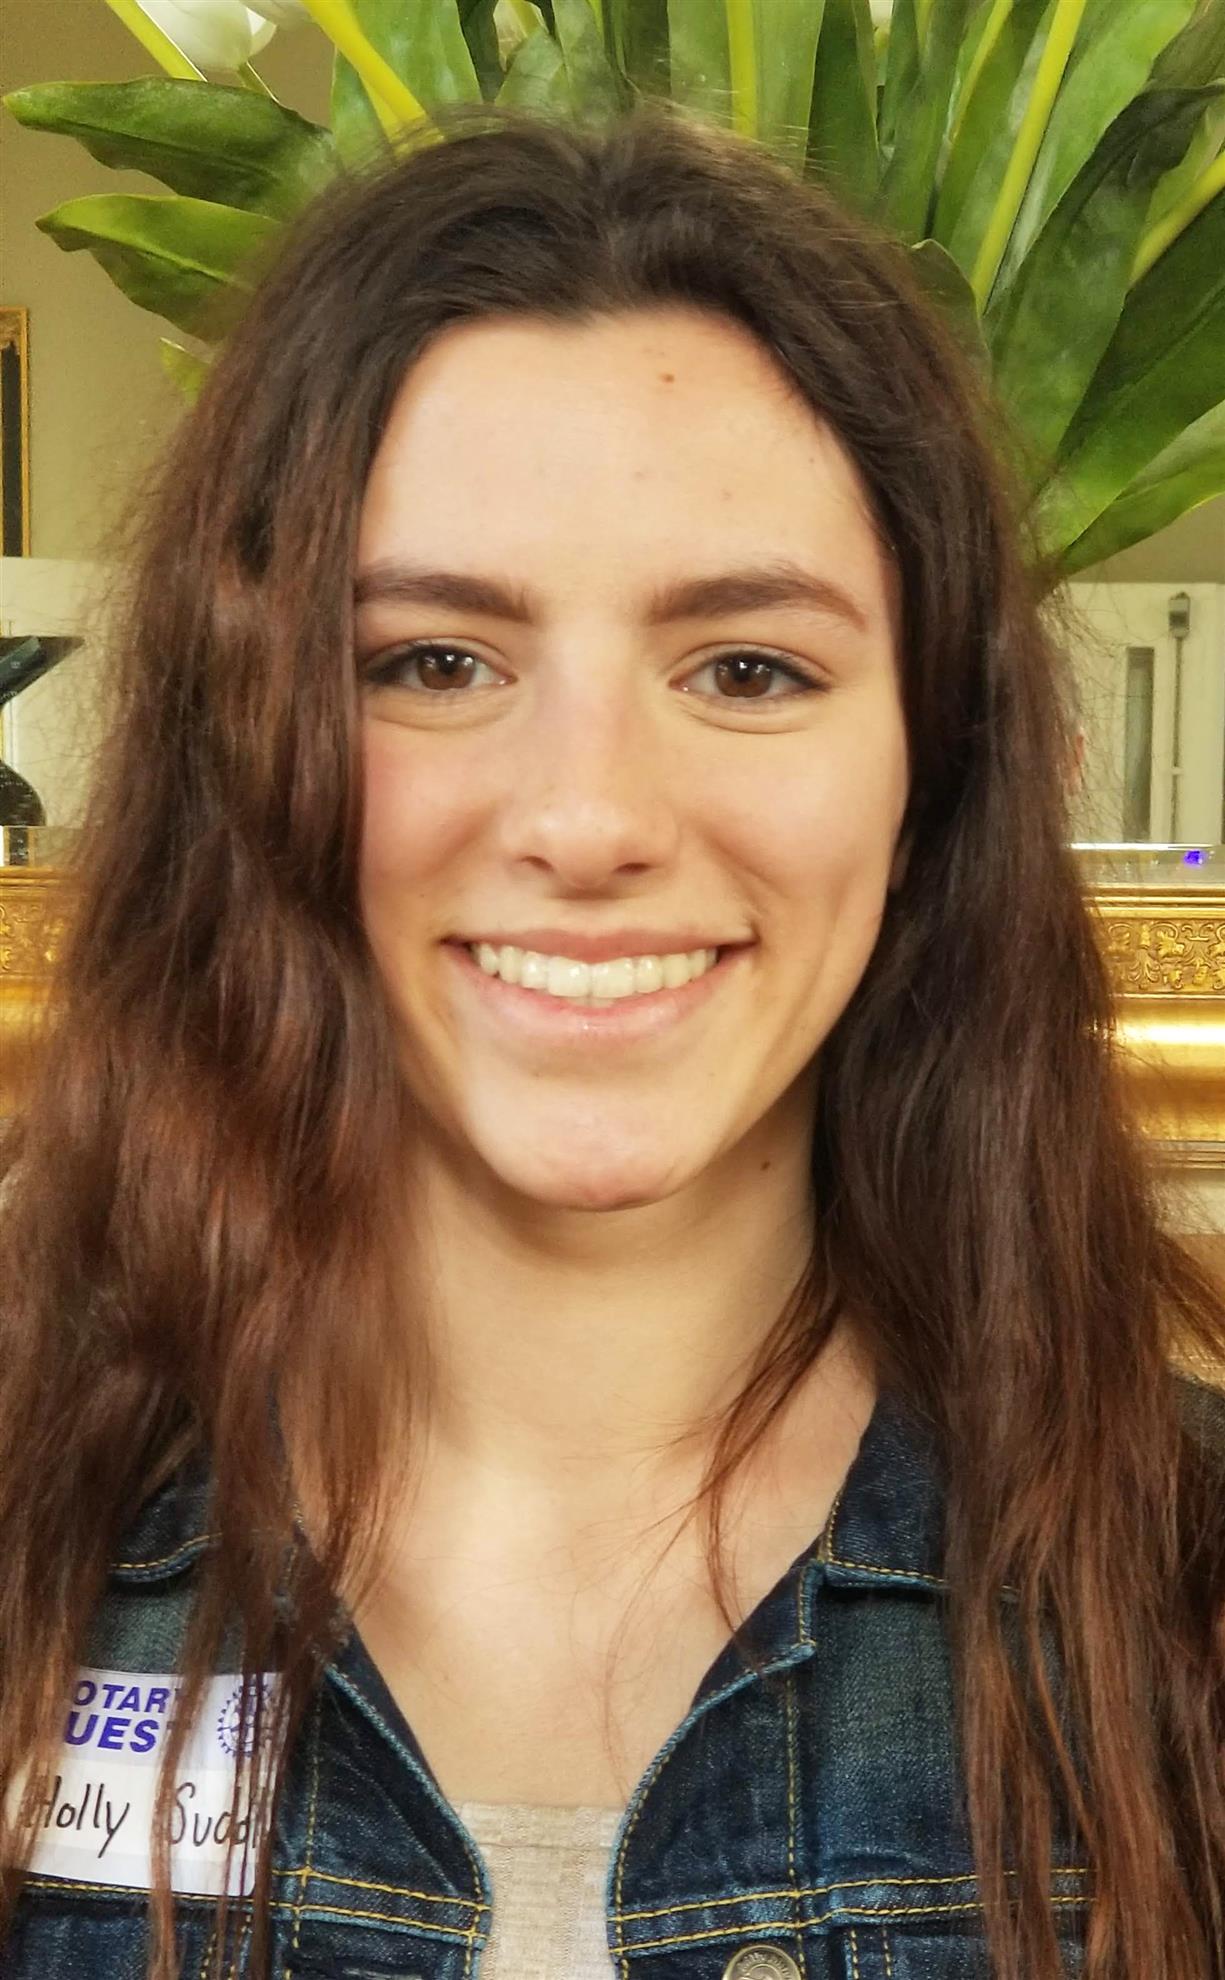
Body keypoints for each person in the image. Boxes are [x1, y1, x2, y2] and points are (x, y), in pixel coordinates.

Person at [1, 97, 1223, 1980]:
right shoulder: (32, 1531)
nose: (587, 818)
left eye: (747, 668)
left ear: (936, 768)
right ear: (243, 751)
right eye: (433, 662)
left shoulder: (1183, 1597)